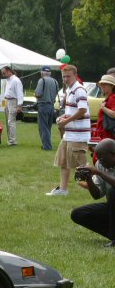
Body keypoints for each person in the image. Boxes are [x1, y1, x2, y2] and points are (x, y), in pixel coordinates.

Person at [48, 64, 91, 196]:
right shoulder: (69, 90)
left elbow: (82, 110)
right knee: (64, 162)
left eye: (68, 76)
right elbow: (72, 111)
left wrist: (66, 121)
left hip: (78, 135)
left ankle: (97, 186)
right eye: (63, 77)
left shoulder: (79, 89)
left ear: (75, 76)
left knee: (82, 165)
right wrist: (62, 117)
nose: (65, 79)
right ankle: (63, 189)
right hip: (69, 134)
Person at [70, 138, 115, 246]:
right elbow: (97, 195)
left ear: (113, 154)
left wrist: (99, 173)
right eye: (98, 158)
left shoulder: (100, 169)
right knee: (78, 214)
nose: (100, 162)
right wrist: (89, 178)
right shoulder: (100, 164)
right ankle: (112, 235)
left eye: (102, 159)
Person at [35, 66, 59, 150]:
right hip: (51, 106)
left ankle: (47, 146)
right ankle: (46, 144)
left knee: (43, 127)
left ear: (42, 73)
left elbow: (38, 93)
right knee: (48, 127)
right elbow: (56, 93)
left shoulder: (42, 80)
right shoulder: (55, 81)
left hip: (43, 105)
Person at [1, 66, 24, 146]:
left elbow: (20, 93)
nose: (3, 75)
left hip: (13, 101)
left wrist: (20, 105)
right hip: (8, 101)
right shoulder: (8, 80)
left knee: (11, 121)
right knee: (8, 121)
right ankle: (10, 139)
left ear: (8, 71)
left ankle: (13, 140)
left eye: (4, 73)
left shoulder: (16, 80)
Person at [91, 74, 115, 144]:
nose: (102, 86)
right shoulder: (108, 98)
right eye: (101, 84)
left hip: (109, 136)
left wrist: (103, 108)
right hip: (105, 136)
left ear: (112, 86)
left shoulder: (113, 98)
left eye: (105, 84)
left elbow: (114, 114)